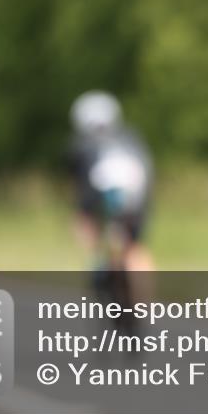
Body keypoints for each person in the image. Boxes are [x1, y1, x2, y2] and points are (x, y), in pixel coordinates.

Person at [67, 90, 155, 286]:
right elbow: (147, 168)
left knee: (85, 221)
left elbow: (79, 184)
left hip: (100, 192)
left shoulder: (81, 144)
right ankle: (145, 303)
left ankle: (97, 260)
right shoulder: (132, 137)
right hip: (138, 193)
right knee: (135, 247)